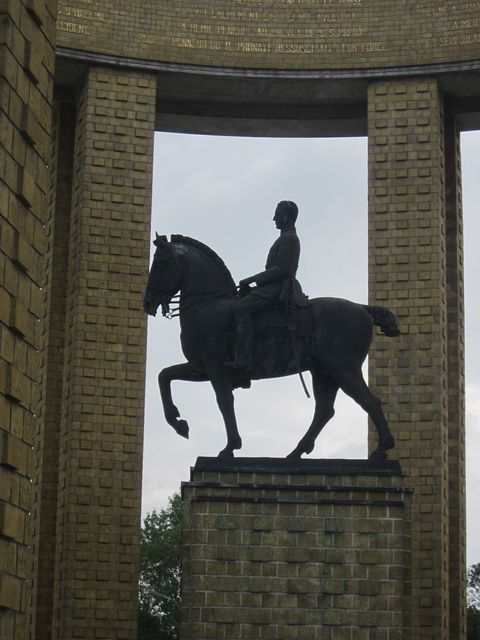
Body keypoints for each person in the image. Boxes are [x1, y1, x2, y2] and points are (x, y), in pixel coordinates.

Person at [232, 200, 308, 370]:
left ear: (287, 217)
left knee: (241, 308)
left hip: (279, 287)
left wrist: (251, 279)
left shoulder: (289, 239)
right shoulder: (284, 238)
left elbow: (282, 269)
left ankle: (245, 359)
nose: (274, 218)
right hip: (273, 285)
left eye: (278, 214)